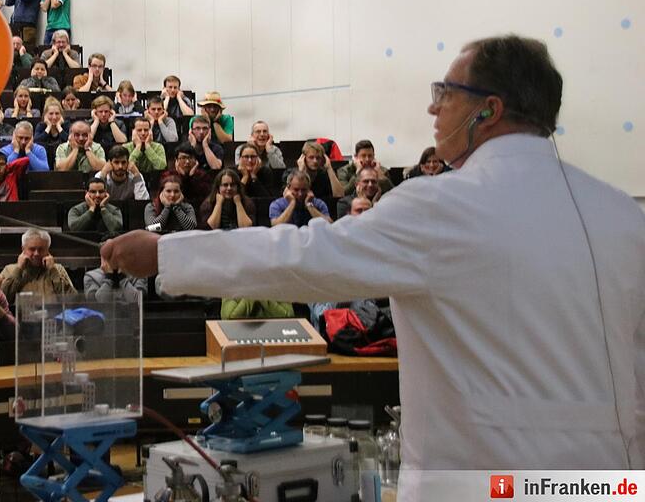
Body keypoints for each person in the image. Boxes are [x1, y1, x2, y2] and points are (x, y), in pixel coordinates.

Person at [104, 34, 645, 481]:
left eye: (446, 92)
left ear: (490, 110)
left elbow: (309, 256)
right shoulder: (624, 215)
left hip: (481, 477)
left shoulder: (441, 205)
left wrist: (168, 253)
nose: (433, 107)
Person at [0, 230, 75, 301]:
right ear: (23, 249)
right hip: (20, 315)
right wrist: (19, 269)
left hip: (53, 314)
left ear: (48, 250)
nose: (36, 254)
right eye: (32, 249)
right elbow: (0, 299)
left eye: (41, 249)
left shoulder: (57, 269)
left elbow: (72, 299)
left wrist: (53, 271)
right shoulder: (9, 269)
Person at [170, 143, 211, 207]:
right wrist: (183, 177)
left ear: (196, 160)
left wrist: (191, 177)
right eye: (183, 158)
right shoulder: (170, 176)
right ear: (176, 160)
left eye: (190, 158)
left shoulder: (203, 175)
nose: (187, 162)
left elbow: (203, 198)